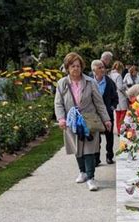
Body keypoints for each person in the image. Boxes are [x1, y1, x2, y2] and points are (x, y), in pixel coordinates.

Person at [54, 52, 112, 191]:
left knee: (89, 150)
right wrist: (61, 119)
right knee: (77, 149)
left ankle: (91, 178)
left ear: (82, 67)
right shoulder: (62, 83)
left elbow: (99, 103)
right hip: (72, 121)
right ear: (67, 67)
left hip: (89, 120)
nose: (76, 69)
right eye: (72, 66)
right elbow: (58, 103)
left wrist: (106, 119)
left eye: (78, 66)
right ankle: (83, 172)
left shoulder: (90, 82)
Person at [91, 59, 118, 165]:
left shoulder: (110, 82)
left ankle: (109, 156)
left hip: (108, 113)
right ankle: (96, 158)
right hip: (94, 114)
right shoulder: (90, 82)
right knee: (96, 138)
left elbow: (115, 97)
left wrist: (112, 107)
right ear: (94, 70)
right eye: (100, 68)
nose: (103, 69)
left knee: (109, 136)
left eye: (103, 67)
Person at [109, 61, 129, 135]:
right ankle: (121, 129)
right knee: (123, 113)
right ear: (120, 68)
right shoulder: (118, 75)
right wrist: (125, 85)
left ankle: (118, 130)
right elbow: (120, 87)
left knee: (117, 115)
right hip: (120, 96)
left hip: (113, 96)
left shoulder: (110, 75)